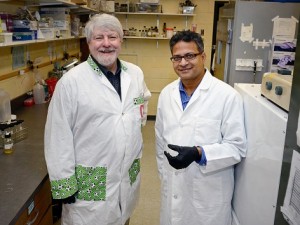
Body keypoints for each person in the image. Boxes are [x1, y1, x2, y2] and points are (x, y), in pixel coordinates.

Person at [44, 13, 151, 225]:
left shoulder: (135, 73)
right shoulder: (72, 82)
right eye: (98, 38)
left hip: (126, 171)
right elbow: (57, 135)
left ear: (121, 40)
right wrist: (64, 184)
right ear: (88, 42)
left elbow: (142, 103)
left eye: (112, 37)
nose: (106, 44)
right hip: (90, 179)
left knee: (123, 217)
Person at [155, 30, 247, 225]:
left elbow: (237, 147)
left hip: (208, 193)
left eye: (190, 56)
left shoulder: (227, 96)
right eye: (177, 57)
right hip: (173, 187)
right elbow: (160, 141)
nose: (183, 63)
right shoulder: (166, 94)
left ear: (203, 56)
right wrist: (165, 177)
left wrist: (199, 153)